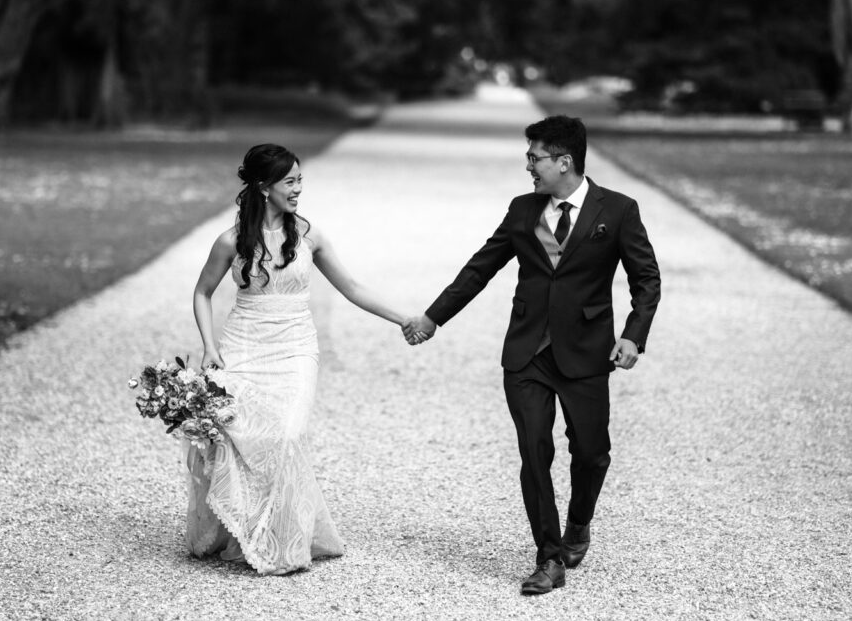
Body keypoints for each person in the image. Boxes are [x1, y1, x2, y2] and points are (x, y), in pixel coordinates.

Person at [404, 115, 661, 596]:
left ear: (564, 162)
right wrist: (433, 317)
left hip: (586, 354)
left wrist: (633, 335)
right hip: (526, 355)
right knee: (534, 451)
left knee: (591, 452)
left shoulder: (619, 210)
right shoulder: (523, 210)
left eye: (534, 157)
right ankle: (548, 556)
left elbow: (647, 279)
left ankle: (579, 523)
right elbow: (480, 268)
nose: (528, 166)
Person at [188, 143, 417, 574]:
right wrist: (209, 346)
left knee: (288, 435)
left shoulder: (310, 235)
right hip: (244, 346)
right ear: (263, 187)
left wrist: (404, 318)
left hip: (295, 349)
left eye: (300, 181)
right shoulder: (231, 241)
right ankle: (248, 528)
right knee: (245, 436)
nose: (298, 190)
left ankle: (284, 541)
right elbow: (202, 292)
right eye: (290, 182)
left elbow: (351, 286)